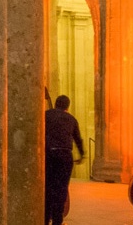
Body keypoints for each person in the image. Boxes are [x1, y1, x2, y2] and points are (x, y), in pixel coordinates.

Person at [44, 95, 85, 225]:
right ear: (67, 106)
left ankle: (44, 219)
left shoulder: (45, 115)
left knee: (48, 187)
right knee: (61, 188)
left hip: (49, 154)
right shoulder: (71, 119)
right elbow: (78, 139)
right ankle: (57, 220)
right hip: (64, 155)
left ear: (55, 104)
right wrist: (82, 154)